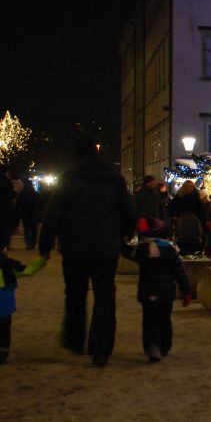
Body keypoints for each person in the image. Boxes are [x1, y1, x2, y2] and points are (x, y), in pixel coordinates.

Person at [38, 136, 136, 367]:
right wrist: (123, 235)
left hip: (74, 246)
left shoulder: (68, 179)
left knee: (75, 293)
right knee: (105, 296)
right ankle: (101, 349)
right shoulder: (115, 179)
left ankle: (74, 339)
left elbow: (52, 216)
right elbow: (130, 213)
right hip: (105, 247)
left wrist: (45, 247)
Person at [121, 218, 192, 363]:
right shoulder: (171, 250)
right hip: (167, 293)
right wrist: (187, 292)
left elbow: (126, 252)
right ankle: (165, 346)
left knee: (150, 320)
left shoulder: (142, 249)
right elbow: (180, 272)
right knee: (165, 319)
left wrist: (121, 237)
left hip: (148, 292)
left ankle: (153, 346)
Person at [0, 249, 47, 364]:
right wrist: (42, 258)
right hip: (4, 304)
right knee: (4, 328)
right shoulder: (8, 264)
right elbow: (28, 270)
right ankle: (2, 354)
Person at [15, 178, 43, 250]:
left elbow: (17, 204)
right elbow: (41, 203)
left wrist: (17, 212)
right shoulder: (35, 193)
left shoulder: (22, 193)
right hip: (33, 213)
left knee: (26, 229)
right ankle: (33, 243)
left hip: (25, 213)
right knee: (34, 229)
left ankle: (28, 244)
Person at [0, 166, 16, 249]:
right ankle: (4, 247)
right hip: (5, 210)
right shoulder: (7, 183)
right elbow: (12, 195)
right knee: (4, 229)